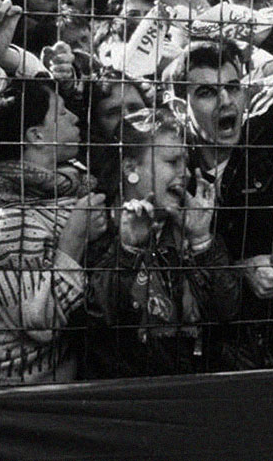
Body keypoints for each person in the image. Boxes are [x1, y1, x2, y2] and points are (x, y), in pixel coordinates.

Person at [166, 17, 273, 369]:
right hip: (211, 353)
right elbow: (164, 273)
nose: (226, 101)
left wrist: (224, 21)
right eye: (207, 92)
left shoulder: (266, 139)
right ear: (181, 108)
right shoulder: (171, 168)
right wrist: (241, 271)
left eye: (234, 86)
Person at [0, 77, 107, 384]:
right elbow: (42, 321)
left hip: (63, 378)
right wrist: (73, 240)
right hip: (25, 397)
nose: (75, 117)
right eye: (61, 112)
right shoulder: (2, 221)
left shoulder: (55, 190)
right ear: (37, 135)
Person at [82, 109, 239, 377]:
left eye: (185, 162)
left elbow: (227, 314)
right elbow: (97, 325)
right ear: (131, 168)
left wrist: (202, 242)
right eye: (172, 161)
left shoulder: (187, 227)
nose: (185, 173)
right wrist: (127, 252)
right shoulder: (95, 228)